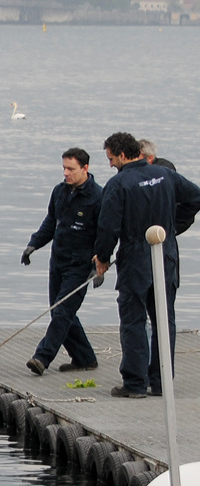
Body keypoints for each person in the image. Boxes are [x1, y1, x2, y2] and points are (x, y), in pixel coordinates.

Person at [93, 131, 200, 398]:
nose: (110, 165)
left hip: (135, 257)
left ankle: (135, 383)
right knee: (165, 319)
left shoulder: (118, 185)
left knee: (133, 320)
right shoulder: (165, 175)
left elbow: (108, 227)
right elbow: (195, 197)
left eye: (110, 159)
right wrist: (172, 227)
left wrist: (102, 258)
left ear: (121, 154)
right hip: (166, 254)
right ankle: (163, 381)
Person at [21, 148, 102, 376]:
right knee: (59, 311)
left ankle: (42, 357)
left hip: (81, 264)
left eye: (71, 169)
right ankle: (85, 358)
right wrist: (34, 244)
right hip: (58, 260)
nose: (66, 173)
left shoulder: (98, 197)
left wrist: (99, 265)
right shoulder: (59, 192)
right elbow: (51, 221)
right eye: (64, 168)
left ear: (85, 168)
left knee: (63, 310)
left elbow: (105, 233)